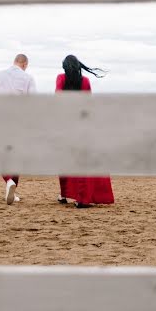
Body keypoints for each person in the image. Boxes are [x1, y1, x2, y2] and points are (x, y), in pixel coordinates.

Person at [55, 54, 114, 208]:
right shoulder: (85, 81)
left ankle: (64, 195)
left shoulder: (61, 78)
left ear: (65, 68)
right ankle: (80, 197)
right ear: (78, 66)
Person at [0, 53, 37, 204]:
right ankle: (12, 184)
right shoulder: (28, 78)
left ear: (15, 62)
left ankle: (9, 181)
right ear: (25, 64)